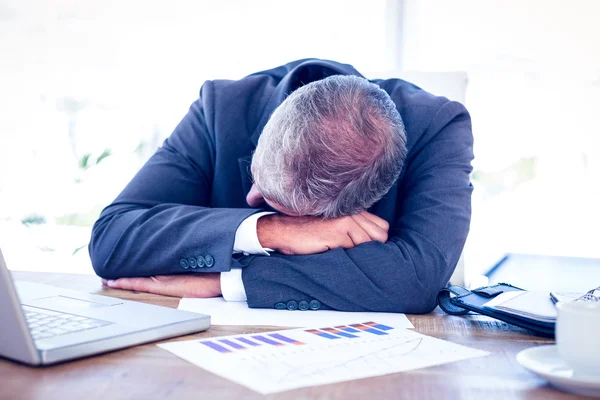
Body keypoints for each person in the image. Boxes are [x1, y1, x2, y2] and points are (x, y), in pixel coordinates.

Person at [89, 58, 474, 314]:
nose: (250, 199)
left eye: (276, 208)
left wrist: (227, 283)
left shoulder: (439, 126)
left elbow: (415, 282)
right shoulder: (219, 108)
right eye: (259, 179)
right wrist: (272, 230)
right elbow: (112, 240)